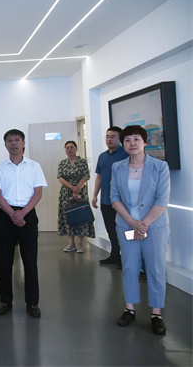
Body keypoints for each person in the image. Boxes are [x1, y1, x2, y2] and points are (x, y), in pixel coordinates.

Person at [111, 125, 170, 335]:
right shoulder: (118, 167)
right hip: (126, 225)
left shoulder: (160, 167)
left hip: (154, 226)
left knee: (155, 268)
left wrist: (143, 224)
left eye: (136, 139)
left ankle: (156, 314)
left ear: (145, 142)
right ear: (123, 144)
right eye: (127, 140)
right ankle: (130, 309)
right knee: (130, 267)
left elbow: (162, 200)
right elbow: (114, 198)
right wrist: (132, 222)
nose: (132, 143)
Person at [0, 129, 47, 318]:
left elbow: (38, 192)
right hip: (5, 216)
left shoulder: (34, 166)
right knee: (5, 261)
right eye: (9, 140)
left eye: (17, 140)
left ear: (23, 143)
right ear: (5, 144)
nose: (13, 143)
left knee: (30, 261)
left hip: (27, 215)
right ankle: (5, 301)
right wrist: (13, 214)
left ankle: (32, 303)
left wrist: (22, 213)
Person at [92, 126, 129, 266]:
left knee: (123, 230)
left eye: (113, 137)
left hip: (122, 202)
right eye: (107, 137)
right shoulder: (102, 156)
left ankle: (126, 258)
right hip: (106, 200)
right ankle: (114, 256)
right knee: (111, 230)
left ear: (120, 139)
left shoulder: (126, 155)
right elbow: (99, 177)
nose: (109, 139)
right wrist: (95, 195)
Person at [57, 141, 94, 253]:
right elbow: (60, 177)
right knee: (69, 217)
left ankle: (80, 244)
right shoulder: (63, 163)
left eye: (71, 147)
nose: (69, 149)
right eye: (67, 148)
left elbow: (86, 176)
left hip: (80, 191)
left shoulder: (82, 162)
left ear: (76, 148)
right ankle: (71, 244)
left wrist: (77, 189)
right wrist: (72, 188)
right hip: (66, 192)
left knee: (80, 216)